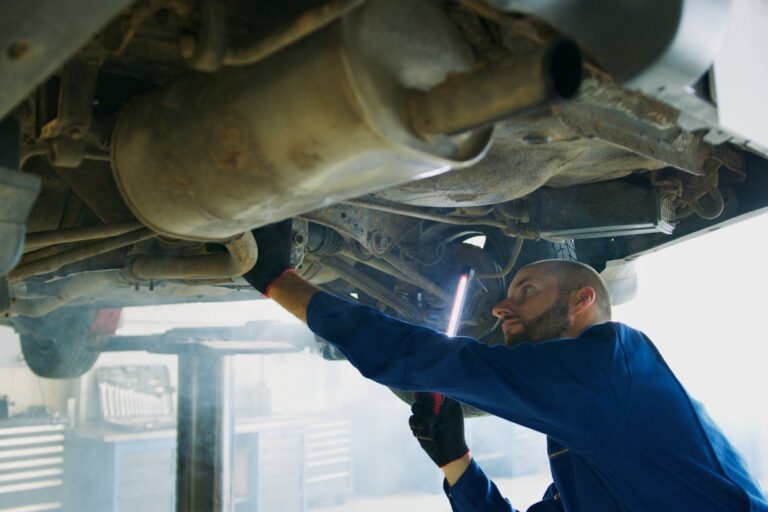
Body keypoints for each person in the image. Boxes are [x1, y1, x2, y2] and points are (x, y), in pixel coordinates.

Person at [243, 221, 768, 511]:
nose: (500, 307)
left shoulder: (607, 365)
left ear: (584, 299)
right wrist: (456, 461)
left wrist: (280, 282)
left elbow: (430, 360)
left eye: (527, 291)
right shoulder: (592, 429)